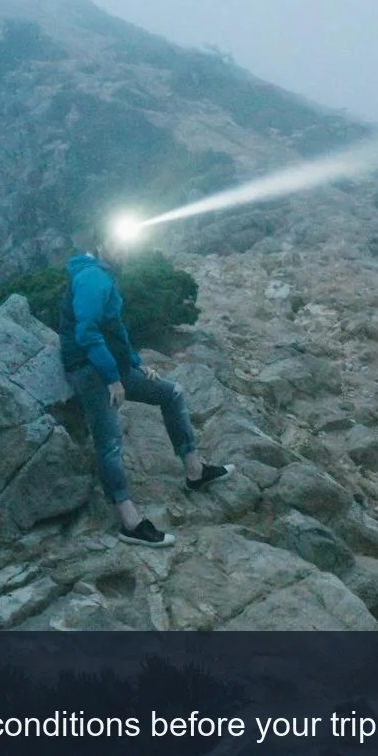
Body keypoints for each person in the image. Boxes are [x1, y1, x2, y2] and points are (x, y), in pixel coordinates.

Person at [58, 232, 231, 546]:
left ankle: (195, 472)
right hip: (89, 368)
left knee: (172, 393)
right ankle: (129, 522)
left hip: (111, 364)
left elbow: (116, 327)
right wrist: (113, 378)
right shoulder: (91, 279)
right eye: (115, 241)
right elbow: (87, 334)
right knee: (109, 441)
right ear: (100, 244)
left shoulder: (107, 276)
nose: (122, 247)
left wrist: (135, 363)